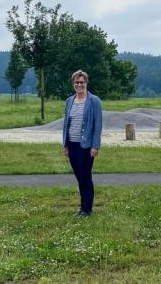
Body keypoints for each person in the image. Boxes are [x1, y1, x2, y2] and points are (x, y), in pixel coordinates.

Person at [61, 70, 103, 217]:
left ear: (86, 83)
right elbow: (66, 123)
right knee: (79, 176)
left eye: (82, 82)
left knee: (85, 175)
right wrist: (65, 144)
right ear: (73, 84)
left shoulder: (94, 101)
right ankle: (82, 206)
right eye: (76, 82)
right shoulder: (69, 101)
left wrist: (95, 146)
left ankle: (87, 208)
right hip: (72, 144)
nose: (79, 84)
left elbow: (98, 125)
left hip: (86, 146)